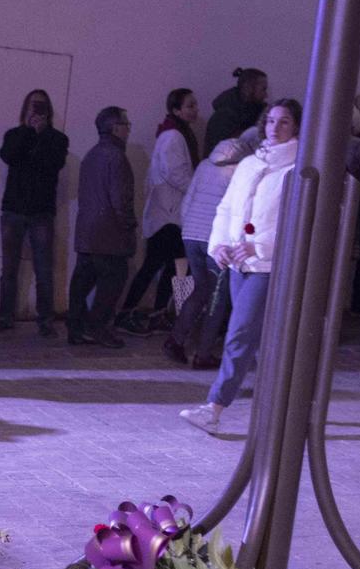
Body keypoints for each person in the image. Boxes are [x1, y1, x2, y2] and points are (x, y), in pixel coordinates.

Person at [179, 100, 300, 433]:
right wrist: (220, 243)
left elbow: (299, 221)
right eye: (271, 120)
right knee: (258, 339)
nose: (275, 128)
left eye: (285, 122)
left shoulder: (297, 169)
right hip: (236, 264)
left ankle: (215, 407)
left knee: (239, 333)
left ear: (297, 127)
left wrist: (261, 244)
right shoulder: (247, 164)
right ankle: (287, 404)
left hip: (268, 264)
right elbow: (227, 208)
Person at [166, 123, 262, 368]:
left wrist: (187, 229)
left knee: (200, 291)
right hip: (217, 242)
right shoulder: (243, 171)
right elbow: (240, 210)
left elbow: (189, 198)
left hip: (191, 235)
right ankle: (204, 353)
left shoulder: (205, 165)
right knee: (218, 299)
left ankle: (176, 340)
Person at [117, 87, 198, 333]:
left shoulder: (173, 134)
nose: (195, 110)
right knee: (158, 265)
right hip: (168, 214)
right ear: (176, 110)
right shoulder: (174, 136)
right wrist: (196, 191)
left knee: (172, 265)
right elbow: (176, 173)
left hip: (169, 213)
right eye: (190, 106)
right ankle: (128, 313)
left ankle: (158, 312)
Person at [0, 89, 68, 334]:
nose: (37, 111)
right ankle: (5, 317)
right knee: (9, 269)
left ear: (49, 111)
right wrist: (27, 131)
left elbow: (53, 165)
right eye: (33, 106)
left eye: (42, 107)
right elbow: (9, 156)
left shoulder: (57, 139)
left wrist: (41, 134)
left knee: (44, 269)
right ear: (25, 109)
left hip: (41, 212)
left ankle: (45, 321)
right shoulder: (14, 134)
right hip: (13, 208)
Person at [65, 106, 136, 349]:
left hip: (87, 231)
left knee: (81, 284)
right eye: (126, 125)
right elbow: (121, 199)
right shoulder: (117, 157)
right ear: (115, 128)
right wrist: (129, 225)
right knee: (112, 283)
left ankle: (75, 328)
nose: (129, 129)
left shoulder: (91, 155)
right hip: (110, 235)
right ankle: (99, 328)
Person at [204, 67, 268, 148]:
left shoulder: (260, 112)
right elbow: (222, 153)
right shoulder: (223, 117)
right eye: (263, 89)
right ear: (249, 88)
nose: (266, 95)